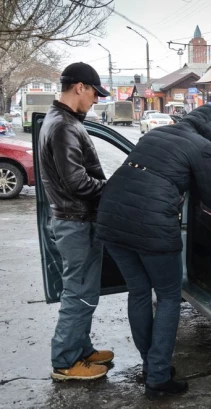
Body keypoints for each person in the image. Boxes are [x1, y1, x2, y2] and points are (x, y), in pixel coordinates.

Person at [95, 104, 211, 400]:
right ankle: (158, 378)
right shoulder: (204, 147)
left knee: (139, 291)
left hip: (110, 218)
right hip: (153, 226)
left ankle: (150, 366)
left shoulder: (156, 134)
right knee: (169, 296)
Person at [38, 62, 113, 381]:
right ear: (79, 87)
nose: (96, 100)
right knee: (78, 292)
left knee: (84, 290)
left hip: (75, 219)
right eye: (95, 93)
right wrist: (111, 188)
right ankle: (66, 361)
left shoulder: (61, 120)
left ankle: (81, 348)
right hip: (76, 221)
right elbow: (76, 182)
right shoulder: (64, 125)